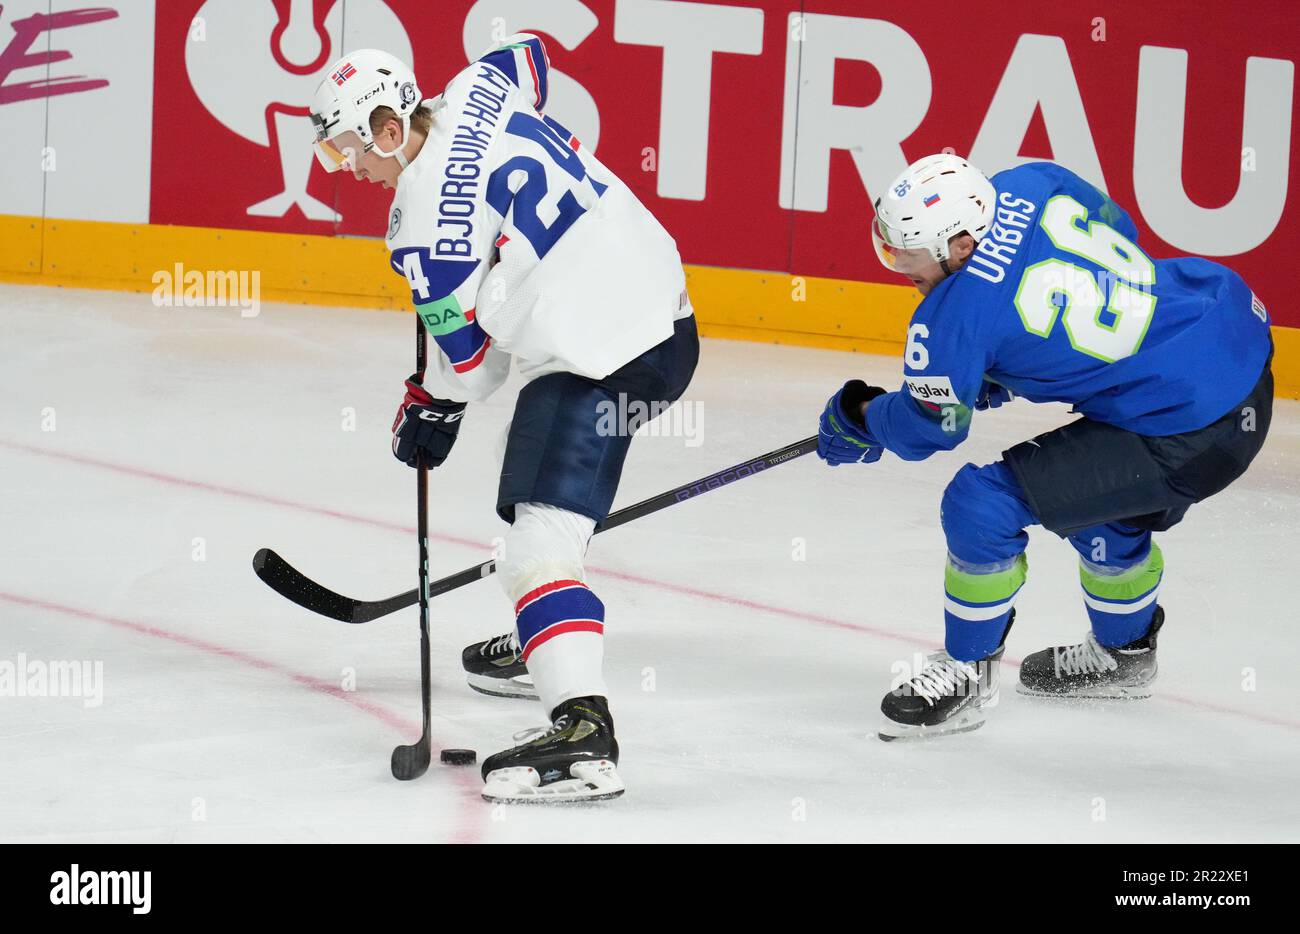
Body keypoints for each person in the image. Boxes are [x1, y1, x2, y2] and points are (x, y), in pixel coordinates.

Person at [309, 35, 698, 798]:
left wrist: (432, 407)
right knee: (529, 491)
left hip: (605, 357)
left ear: (390, 130)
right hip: (669, 314)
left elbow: (475, 368)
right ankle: (549, 639)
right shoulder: (478, 87)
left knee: (536, 546)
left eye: (349, 151)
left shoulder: (423, 238)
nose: (348, 169)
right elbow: (531, 54)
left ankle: (582, 732)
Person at [816, 153, 1273, 740]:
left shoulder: (952, 317)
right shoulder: (1031, 182)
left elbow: (932, 424)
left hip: (1187, 424)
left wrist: (860, 419)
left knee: (981, 505)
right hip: (1231, 337)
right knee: (1100, 508)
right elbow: (1119, 229)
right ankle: (1124, 656)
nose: (899, 268)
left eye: (906, 255)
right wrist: (1019, 362)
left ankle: (967, 674)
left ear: (958, 246)